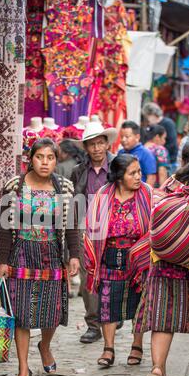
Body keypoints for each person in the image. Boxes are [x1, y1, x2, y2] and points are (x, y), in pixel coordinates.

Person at [0, 138, 80, 376]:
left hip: (51, 254)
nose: (45, 162)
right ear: (30, 159)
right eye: (39, 157)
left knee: (51, 311)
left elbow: (73, 224)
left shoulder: (65, 187)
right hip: (21, 252)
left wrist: (74, 255)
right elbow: (4, 227)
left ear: (56, 160)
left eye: (50, 157)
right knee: (20, 312)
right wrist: (2, 261)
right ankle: (23, 368)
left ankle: (44, 345)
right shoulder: (13, 187)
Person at [84, 155, 152, 368]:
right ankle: (108, 348)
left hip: (139, 258)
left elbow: (154, 226)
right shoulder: (103, 195)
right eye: (133, 173)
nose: (138, 177)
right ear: (120, 176)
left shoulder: (147, 194)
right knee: (107, 302)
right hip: (109, 255)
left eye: (139, 172)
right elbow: (92, 226)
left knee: (139, 302)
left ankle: (137, 345)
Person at [141, 154, 189, 376]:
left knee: (163, 320)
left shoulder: (172, 183)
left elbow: (154, 216)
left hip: (165, 263)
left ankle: (157, 369)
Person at [71, 121, 117, 343]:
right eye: (92, 144)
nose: (97, 148)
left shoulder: (118, 166)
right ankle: (93, 324)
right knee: (89, 276)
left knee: (113, 274)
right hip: (86, 228)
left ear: (107, 144)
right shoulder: (78, 171)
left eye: (100, 143)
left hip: (115, 228)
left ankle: (112, 317)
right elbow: (73, 203)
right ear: (86, 148)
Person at [142, 102, 178, 174]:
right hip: (156, 163)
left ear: (153, 114)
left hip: (169, 162)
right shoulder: (151, 125)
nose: (147, 120)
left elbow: (172, 144)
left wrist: (159, 153)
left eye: (147, 116)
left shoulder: (168, 123)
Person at [119, 121, 157, 186]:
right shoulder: (120, 152)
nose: (123, 140)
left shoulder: (146, 153)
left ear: (137, 137)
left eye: (127, 137)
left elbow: (151, 177)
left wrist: (145, 194)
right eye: (121, 137)